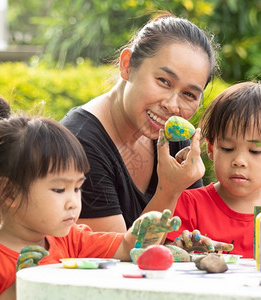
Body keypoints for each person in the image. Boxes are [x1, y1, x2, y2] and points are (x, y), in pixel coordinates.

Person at [0, 95, 228, 300]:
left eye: (77, 187)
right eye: (59, 190)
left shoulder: (73, 239)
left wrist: (143, 231)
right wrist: (18, 288)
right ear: (8, 192)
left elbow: (124, 247)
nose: (73, 201)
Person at [61, 12, 217, 232]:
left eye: (189, 95)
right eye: (164, 81)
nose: (173, 106)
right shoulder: (79, 145)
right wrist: (168, 191)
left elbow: (192, 234)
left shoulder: (172, 136)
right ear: (127, 65)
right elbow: (116, 258)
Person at [166, 78, 261, 258]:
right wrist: (182, 249)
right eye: (227, 148)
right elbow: (164, 256)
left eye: (255, 151)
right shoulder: (189, 204)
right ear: (211, 149)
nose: (239, 161)